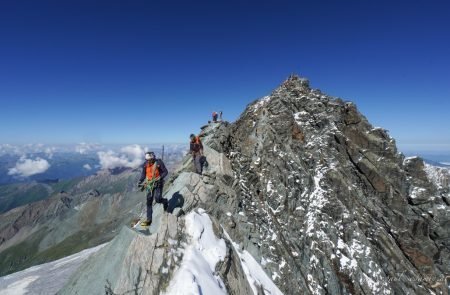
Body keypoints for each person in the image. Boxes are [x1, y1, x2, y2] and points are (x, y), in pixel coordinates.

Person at [137, 151, 168, 226]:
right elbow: (144, 174)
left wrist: (160, 177)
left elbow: (165, 172)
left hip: (158, 183)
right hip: (149, 185)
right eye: (147, 160)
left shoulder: (159, 163)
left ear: (153, 158)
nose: (148, 161)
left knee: (157, 199)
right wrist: (140, 180)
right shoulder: (145, 165)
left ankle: (165, 201)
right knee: (149, 202)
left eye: (149, 160)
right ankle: (149, 220)